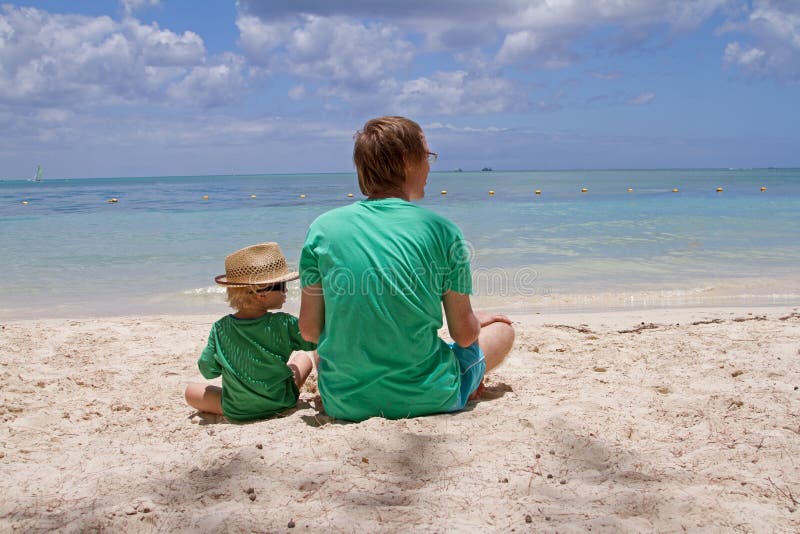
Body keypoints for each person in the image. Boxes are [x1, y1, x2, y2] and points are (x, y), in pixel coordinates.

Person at [299, 116, 515, 422]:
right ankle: (465, 381)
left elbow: (309, 330)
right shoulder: (443, 231)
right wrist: (476, 322)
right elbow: (464, 336)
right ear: (406, 161)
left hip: (343, 402)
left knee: (325, 349)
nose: (430, 167)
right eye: (427, 156)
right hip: (430, 395)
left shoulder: (322, 228)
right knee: (503, 330)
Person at [185, 242, 317, 421]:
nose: (286, 290)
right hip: (282, 401)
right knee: (303, 359)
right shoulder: (284, 323)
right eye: (281, 285)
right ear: (260, 293)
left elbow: (208, 371)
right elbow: (315, 338)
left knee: (190, 392)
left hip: (238, 408)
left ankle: (248, 399)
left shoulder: (220, 328)